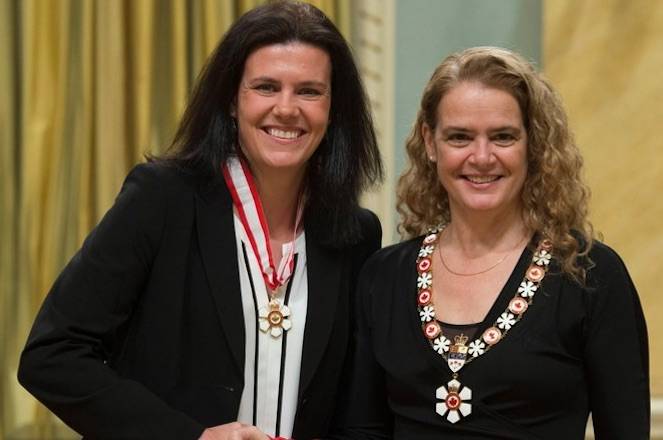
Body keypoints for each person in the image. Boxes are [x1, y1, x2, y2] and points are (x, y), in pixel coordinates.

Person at [17, 1, 383, 439]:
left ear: (334, 107)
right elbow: (51, 357)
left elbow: (360, 411)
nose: (287, 109)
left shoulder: (355, 235)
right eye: (266, 87)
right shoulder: (161, 200)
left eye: (309, 91)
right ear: (231, 100)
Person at [329, 47, 649, 439]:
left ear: (532, 144)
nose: (481, 157)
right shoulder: (383, 276)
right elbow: (364, 430)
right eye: (460, 137)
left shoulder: (591, 275)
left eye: (503, 137)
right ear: (431, 142)